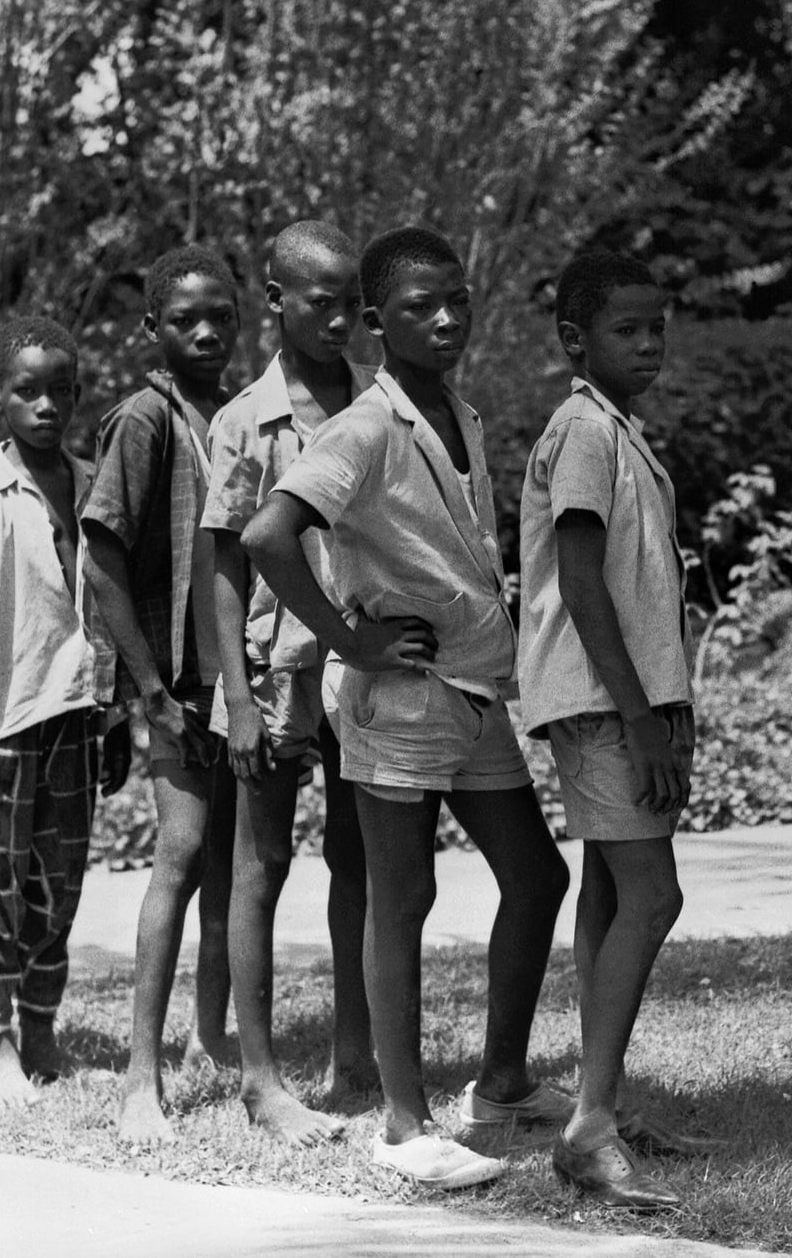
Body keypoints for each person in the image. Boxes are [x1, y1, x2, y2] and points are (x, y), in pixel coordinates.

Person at [244, 224, 572, 1190]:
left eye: (458, 299)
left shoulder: (458, 413)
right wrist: (347, 642)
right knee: (402, 898)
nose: (446, 318)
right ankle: (400, 1122)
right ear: (376, 325)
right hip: (400, 697)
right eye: (421, 307)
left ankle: (501, 1082)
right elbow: (270, 534)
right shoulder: (365, 427)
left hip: (471, 691)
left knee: (538, 877)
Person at [517, 248, 709, 1209]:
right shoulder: (584, 433)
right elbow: (582, 583)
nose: (648, 343)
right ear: (575, 342)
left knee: (606, 895)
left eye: (656, 325)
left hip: (618, 698)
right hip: (599, 702)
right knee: (654, 893)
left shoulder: (615, 430)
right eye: (626, 329)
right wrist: (640, 716)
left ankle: (602, 1104)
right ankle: (589, 1127)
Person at [200, 221, 377, 1145]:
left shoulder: (377, 402)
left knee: (361, 856)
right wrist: (234, 695)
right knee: (259, 866)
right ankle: (263, 1080)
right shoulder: (243, 421)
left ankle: (357, 1056)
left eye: (354, 302)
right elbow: (224, 568)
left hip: (363, 658)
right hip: (276, 671)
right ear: (276, 302)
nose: (342, 319)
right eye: (323, 302)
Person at [0, 313, 116, 1105]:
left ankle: (40, 1029)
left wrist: (112, 717)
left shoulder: (89, 487)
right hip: (4, 724)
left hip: (74, 714)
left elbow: (102, 611)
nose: (46, 406)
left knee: (59, 882)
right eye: (27, 392)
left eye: (59, 391)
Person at [84, 245, 241, 1143]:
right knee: (179, 857)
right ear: (153, 329)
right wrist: (148, 689)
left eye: (220, 315)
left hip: (237, 676)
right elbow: (101, 556)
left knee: (231, 864)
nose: (207, 331)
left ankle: (208, 1039)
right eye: (185, 320)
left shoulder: (239, 413)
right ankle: (139, 1076)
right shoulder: (144, 419)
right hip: (177, 680)